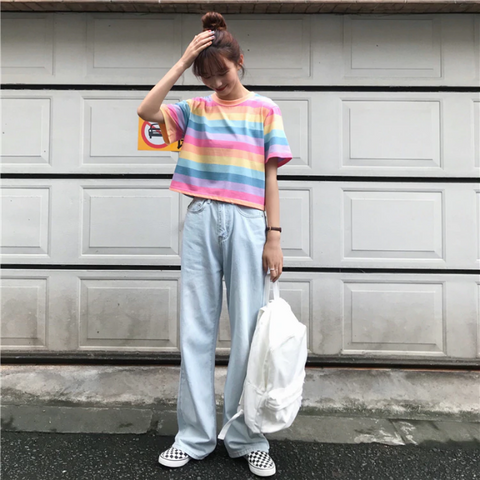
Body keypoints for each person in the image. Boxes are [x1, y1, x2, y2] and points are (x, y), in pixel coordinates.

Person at [137, 12, 292, 478]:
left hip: (248, 221)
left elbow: (271, 177)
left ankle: (248, 437)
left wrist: (274, 236)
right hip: (202, 217)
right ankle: (195, 437)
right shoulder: (194, 110)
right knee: (196, 330)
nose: (217, 83)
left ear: (239, 61)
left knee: (248, 332)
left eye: (222, 73)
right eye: (206, 76)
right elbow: (146, 111)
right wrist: (182, 61)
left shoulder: (265, 110)